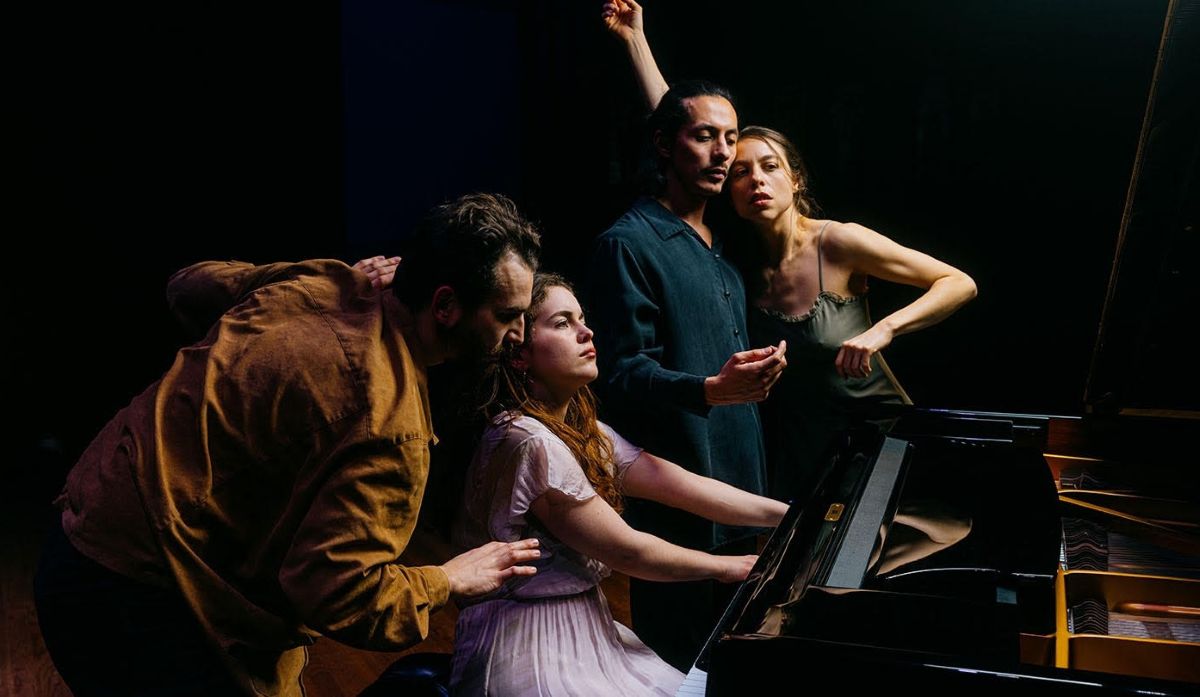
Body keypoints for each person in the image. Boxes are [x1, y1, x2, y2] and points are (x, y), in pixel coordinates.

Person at [34, 193, 545, 697]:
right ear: (446, 305)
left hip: (70, 539)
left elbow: (185, 287)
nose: (519, 333)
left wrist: (324, 281)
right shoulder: (391, 426)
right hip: (135, 599)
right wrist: (447, 580)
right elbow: (338, 592)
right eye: (507, 315)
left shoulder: (319, 281)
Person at [604, 0, 977, 503]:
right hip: (801, 452)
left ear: (795, 178)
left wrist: (881, 331)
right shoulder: (732, 259)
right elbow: (685, 128)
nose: (755, 179)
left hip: (878, 437)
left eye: (770, 167)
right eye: (740, 170)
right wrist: (634, 41)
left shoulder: (838, 241)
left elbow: (959, 282)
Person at [451, 273, 788, 695]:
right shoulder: (527, 439)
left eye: (582, 318)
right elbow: (627, 550)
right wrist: (733, 567)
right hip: (530, 640)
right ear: (519, 354)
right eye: (562, 323)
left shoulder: (580, 427)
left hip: (584, 628)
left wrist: (793, 515)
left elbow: (682, 486)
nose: (586, 331)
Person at [585, 31, 788, 668]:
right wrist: (707, 390)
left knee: (739, 661)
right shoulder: (629, 243)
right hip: (678, 509)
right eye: (705, 136)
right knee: (681, 664)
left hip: (744, 495)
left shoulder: (725, 254)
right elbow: (618, 375)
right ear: (664, 144)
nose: (722, 152)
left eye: (730, 138)